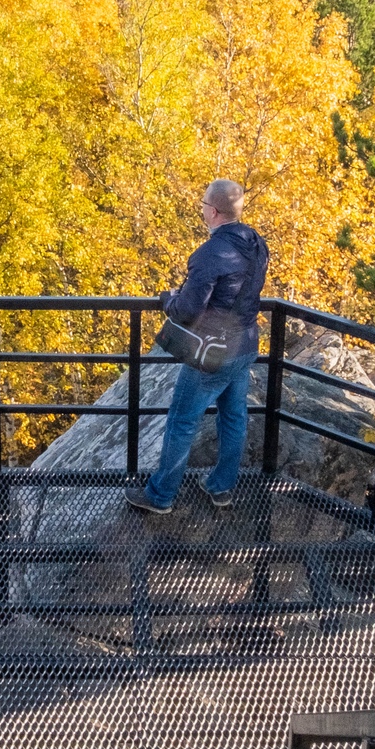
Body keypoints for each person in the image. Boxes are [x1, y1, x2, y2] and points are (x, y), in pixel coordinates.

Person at [127, 179, 269, 514]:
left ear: (213, 211)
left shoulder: (210, 254)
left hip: (214, 353)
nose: (201, 208)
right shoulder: (256, 242)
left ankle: (160, 496)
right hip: (245, 345)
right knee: (233, 417)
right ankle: (221, 488)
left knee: (181, 421)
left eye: (203, 204)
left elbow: (189, 310)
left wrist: (168, 300)